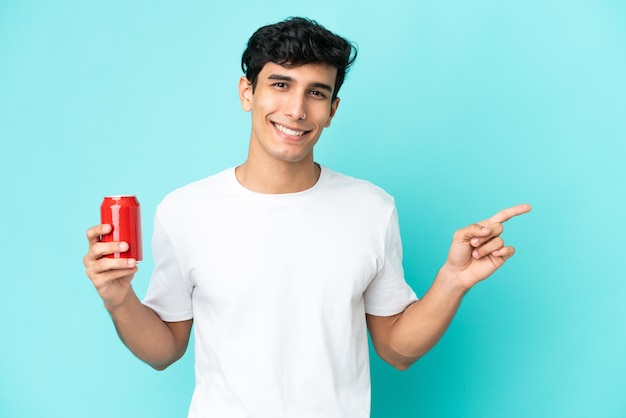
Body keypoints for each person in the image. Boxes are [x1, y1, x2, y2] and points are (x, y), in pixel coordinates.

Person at [84, 16, 531, 418]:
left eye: (315, 93)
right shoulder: (185, 210)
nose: (297, 110)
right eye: (280, 85)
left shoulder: (371, 208)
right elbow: (164, 349)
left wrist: (452, 281)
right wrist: (119, 299)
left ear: (332, 110)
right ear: (247, 92)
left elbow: (396, 348)